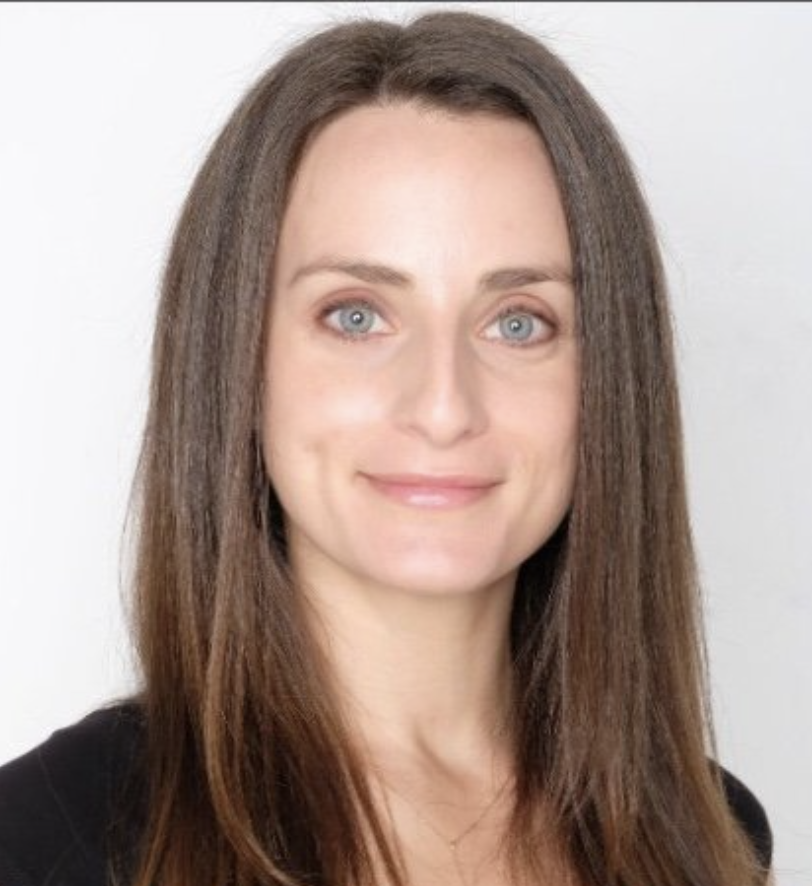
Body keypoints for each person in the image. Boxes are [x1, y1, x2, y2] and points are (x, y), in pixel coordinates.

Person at [0, 9, 774, 886]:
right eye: (357, 315)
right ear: (238, 363)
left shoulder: (707, 833)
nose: (443, 406)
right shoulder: (43, 842)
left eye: (519, 323)